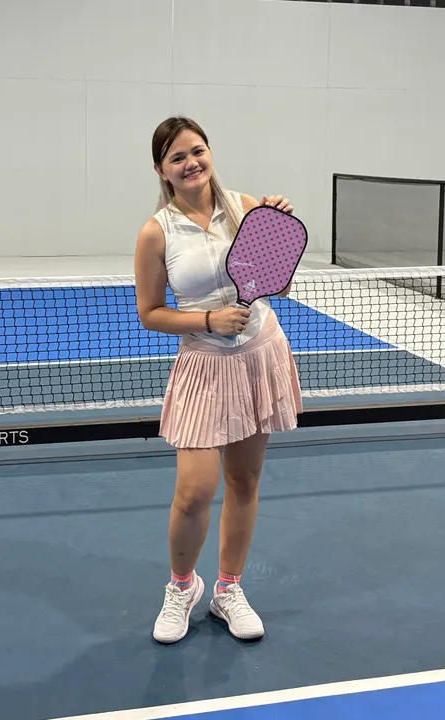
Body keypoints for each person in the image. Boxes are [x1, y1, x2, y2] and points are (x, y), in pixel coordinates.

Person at [134, 116, 303, 644]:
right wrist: (208, 319)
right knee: (194, 492)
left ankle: (228, 589)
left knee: (244, 480)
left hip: (258, 353)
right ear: (161, 170)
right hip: (204, 364)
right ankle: (182, 587)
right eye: (177, 157)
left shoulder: (244, 207)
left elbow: (276, 283)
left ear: (209, 153)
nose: (191, 163)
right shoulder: (156, 232)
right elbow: (150, 313)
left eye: (197, 151)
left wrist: (274, 227)